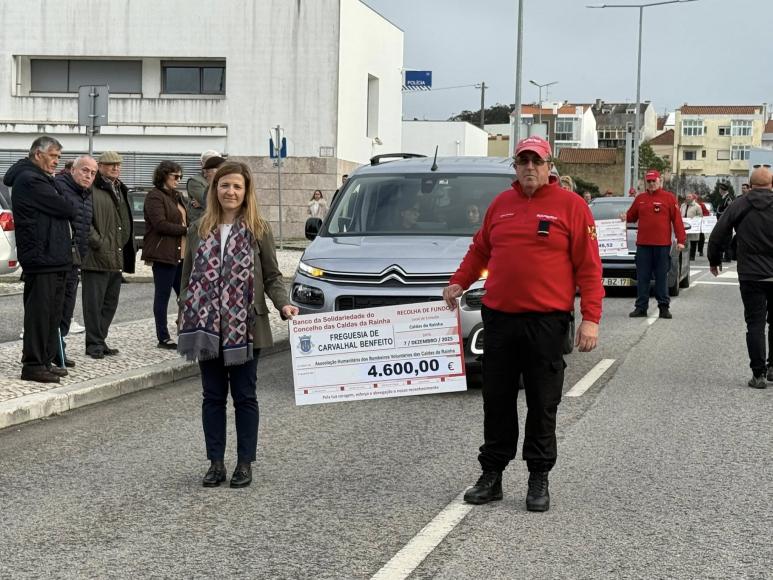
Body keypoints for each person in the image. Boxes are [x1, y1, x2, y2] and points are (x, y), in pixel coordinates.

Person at [443, 135, 603, 512]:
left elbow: (590, 269)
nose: (529, 167)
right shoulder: (501, 204)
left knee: (542, 402)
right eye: (522, 161)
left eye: (536, 161)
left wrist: (591, 319)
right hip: (499, 319)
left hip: (546, 323)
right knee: (496, 400)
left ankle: (538, 477)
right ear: (515, 166)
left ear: (550, 167)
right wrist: (458, 281)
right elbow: (480, 249)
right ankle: (492, 475)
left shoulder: (572, 207)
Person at [178, 161, 299, 488]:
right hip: (206, 326)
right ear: (215, 190)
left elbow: (272, 276)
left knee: (245, 396)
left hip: (247, 327)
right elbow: (187, 278)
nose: (230, 191)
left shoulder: (258, 228)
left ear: (246, 192)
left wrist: (283, 302)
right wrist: (184, 311)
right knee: (212, 396)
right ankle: (215, 462)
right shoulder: (199, 228)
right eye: (224, 185)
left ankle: (244, 463)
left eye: (236, 186)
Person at [3, 136, 75, 383]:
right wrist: (63, 197)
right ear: (37, 154)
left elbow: (64, 204)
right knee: (39, 314)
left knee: (52, 315)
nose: (56, 161)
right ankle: (33, 365)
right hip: (41, 257)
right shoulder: (30, 179)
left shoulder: (43, 178)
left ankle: (45, 360)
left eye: (58, 157)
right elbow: (67, 207)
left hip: (54, 256)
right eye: (53, 156)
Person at [708, 167, 773, 389]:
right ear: (771, 184)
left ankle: (759, 374)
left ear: (751, 184)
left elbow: (719, 232)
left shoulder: (740, 204)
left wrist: (714, 260)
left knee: (755, 322)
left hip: (751, 274)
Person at [81, 151, 135, 359]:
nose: (115, 168)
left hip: (116, 255)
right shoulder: (92, 188)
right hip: (97, 256)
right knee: (93, 304)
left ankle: (100, 340)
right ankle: (93, 344)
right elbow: (84, 220)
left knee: (110, 303)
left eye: (118, 165)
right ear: (100, 167)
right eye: (110, 165)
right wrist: (99, 243)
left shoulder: (119, 187)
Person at [54, 156, 98, 366]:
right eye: (85, 171)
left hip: (76, 260)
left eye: (93, 173)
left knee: (67, 309)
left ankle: (59, 348)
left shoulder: (86, 194)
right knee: (56, 307)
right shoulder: (60, 188)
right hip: (59, 260)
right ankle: (50, 351)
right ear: (73, 170)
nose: (88, 176)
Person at [625, 169, 686, 319]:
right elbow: (631, 216)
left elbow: (677, 221)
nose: (651, 183)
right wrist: (623, 217)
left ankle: (663, 307)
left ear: (660, 181)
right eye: (649, 181)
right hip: (643, 245)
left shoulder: (669, 198)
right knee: (643, 277)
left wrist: (681, 240)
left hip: (662, 245)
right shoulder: (640, 199)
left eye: (654, 181)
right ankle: (641, 308)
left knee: (661, 277)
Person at [142, 161, 187, 349]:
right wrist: (186, 229)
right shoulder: (154, 196)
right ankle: (163, 337)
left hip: (182, 254)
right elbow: (160, 224)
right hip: (164, 253)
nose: (178, 180)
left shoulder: (177, 196)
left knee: (187, 295)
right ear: (164, 175)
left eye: (180, 177)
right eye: (175, 176)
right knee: (163, 296)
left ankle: (186, 330)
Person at [186, 150, 220, 223]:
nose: (212, 165)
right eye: (209, 162)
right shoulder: (194, 181)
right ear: (201, 163)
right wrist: (204, 203)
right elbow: (208, 202)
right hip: (200, 222)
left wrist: (201, 204)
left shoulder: (223, 179)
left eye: (215, 163)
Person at [680, 192, 703, 260]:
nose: (688, 198)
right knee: (684, 241)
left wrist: (694, 219)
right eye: (687, 197)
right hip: (684, 225)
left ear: (692, 198)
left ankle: (692, 256)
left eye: (689, 197)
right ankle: (684, 255)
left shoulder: (697, 206)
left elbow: (700, 215)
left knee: (693, 241)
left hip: (693, 226)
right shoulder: (683, 205)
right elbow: (680, 213)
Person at [716, 182, 735, 262]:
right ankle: (724, 255)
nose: (719, 190)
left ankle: (728, 257)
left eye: (720, 189)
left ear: (723, 190)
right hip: (722, 222)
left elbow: (729, 210)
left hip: (726, 222)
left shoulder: (728, 198)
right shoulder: (724, 197)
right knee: (723, 239)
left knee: (727, 240)